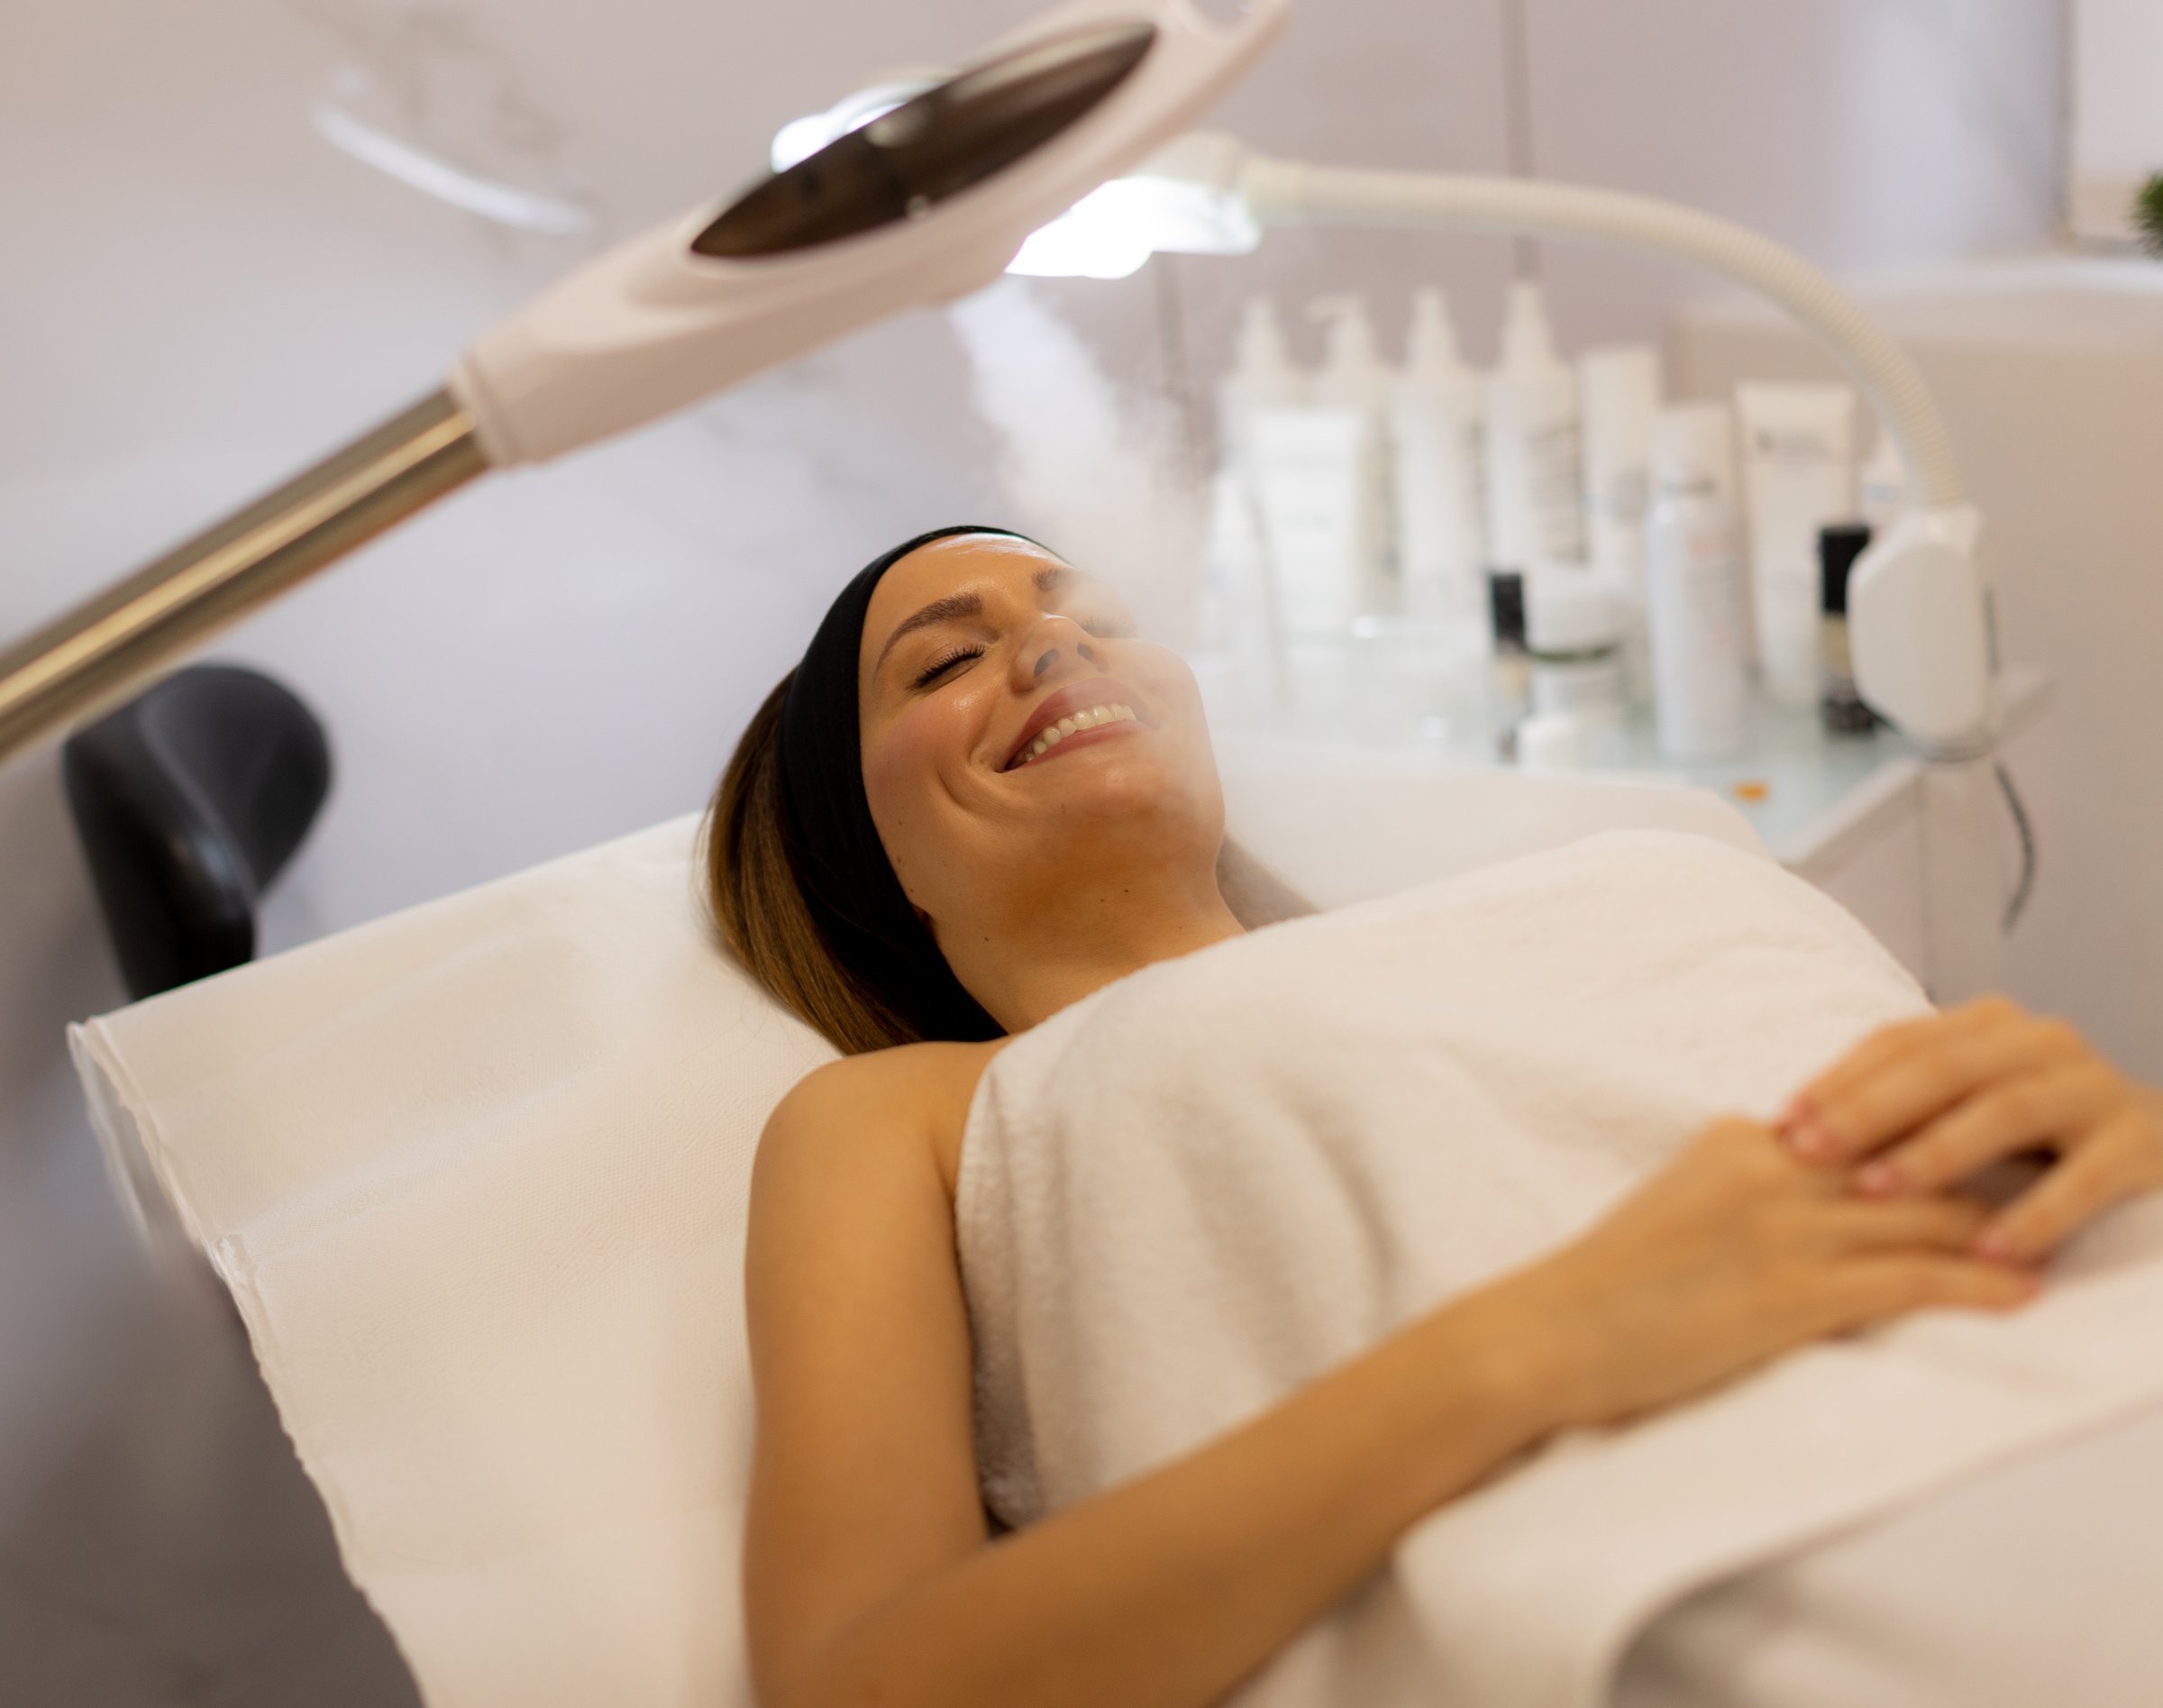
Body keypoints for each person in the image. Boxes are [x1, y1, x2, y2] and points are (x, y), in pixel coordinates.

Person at [703, 526, 2163, 1708]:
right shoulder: (906, 1117)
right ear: (866, 852)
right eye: (947, 657)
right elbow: (860, 1683)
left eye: (1090, 607)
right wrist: (1565, 1333)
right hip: (1760, 1571)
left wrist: (2112, 1149)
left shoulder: (1610, 880)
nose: (1054, 641)